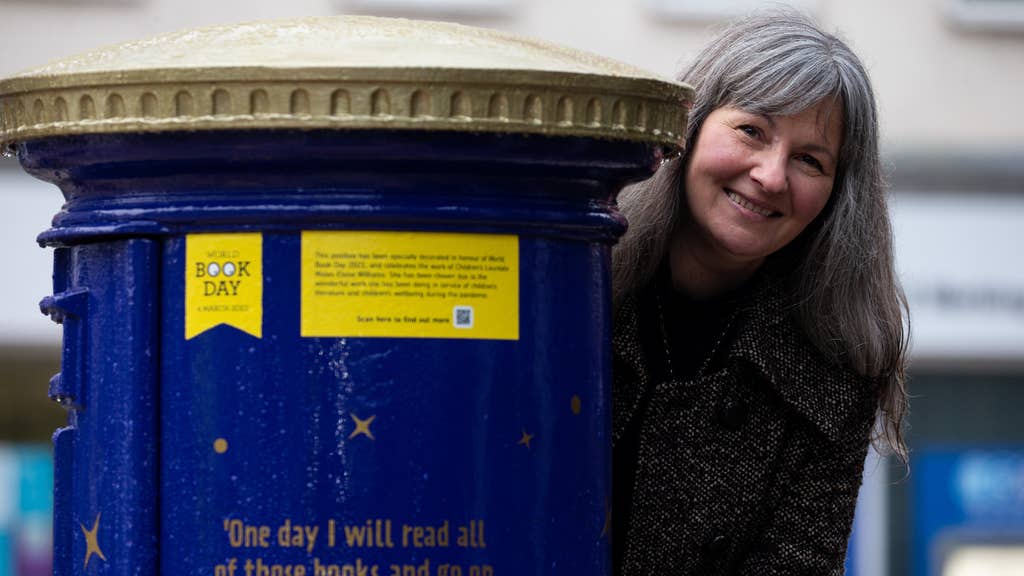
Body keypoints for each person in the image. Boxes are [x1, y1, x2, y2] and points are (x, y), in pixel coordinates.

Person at [611, 9, 909, 575]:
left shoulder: (836, 362)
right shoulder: (579, 281)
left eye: (809, 160)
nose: (772, 176)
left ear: (836, 197)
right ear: (690, 128)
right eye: (752, 130)